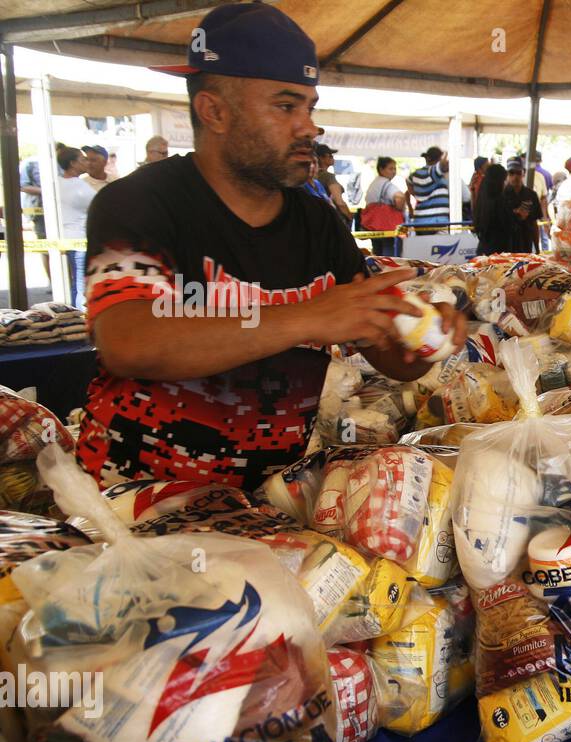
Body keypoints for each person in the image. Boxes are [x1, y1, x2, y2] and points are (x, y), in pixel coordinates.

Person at [75, 3, 464, 493]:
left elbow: (387, 356)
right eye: (285, 106)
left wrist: (426, 339)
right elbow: (128, 342)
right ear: (213, 111)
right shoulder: (140, 202)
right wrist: (305, 317)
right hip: (129, 505)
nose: (309, 127)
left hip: (257, 502)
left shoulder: (317, 221)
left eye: (310, 107)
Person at [56, 145, 96, 308]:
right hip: (79, 239)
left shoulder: (56, 183)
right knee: (81, 284)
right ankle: (80, 318)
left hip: (64, 238)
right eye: (83, 159)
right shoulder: (80, 186)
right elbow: (99, 205)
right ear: (72, 163)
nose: (87, 162)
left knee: (75, 282)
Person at [364, 157, 405, 256]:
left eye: (395, 169)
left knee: (378, 255)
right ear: (381, 169)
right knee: (389, 255)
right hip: (387, 226)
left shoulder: (374, 183)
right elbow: (399, 197)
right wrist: (399, 208)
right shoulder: (386, 184)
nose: (394, 172)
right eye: (390, 168)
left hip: (374, 226)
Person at [407, 146, 451, 234]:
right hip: (437, 223)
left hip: (420, 222)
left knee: (423, 247)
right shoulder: (433, 172)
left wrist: (417, 195)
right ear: (438, 159)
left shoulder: (415, 174)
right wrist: (445, 156)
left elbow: (408, 182)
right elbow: (442, 166)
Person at [472, 163, 513, 255]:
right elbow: (507, 227)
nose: (506, 183)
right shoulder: (500, 202)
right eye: (504, 180)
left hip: (483, 249)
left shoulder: (482, 199)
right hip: (499, 253)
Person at [503, 158, 542, 253]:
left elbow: (534, 223)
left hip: (526, 244)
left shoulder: (531, 195)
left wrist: (537, 248)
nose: (515, 176)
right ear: (507, 175)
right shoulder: (501, 195)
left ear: (523, 173)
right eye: (511, 173)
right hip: (507, 245)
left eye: (518, 173)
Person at [313, 143, 351, 222]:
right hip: (331, 218)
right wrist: (349, 216)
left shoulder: (311, 177)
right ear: (321, 158)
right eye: (330, 155)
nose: (333, 157)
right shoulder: (328, 176)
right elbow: (339, 202)